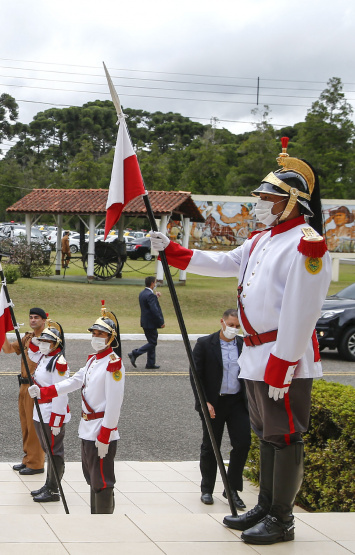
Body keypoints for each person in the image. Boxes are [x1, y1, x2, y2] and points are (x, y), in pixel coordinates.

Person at [150, 138, 331, 545]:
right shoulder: (262, 239)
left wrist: (282, 365)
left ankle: (282, 520)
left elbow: (302, 313)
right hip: (256, 353)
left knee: (284, 435)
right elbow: (226, 262)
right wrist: (174, 252)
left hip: (284, 358)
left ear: (292, 202)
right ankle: (266, 506)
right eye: (260, 196)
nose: (259, 203)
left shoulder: (307, 245)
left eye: (267, 197)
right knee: (266, 434)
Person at [30, 304, 124, 514]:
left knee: (101, 478)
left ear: (110, 337)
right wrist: (45, 392)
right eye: (94, 333)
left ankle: (103, 520)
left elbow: (115, 402)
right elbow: (73, 382)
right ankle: (96, 515)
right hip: (87, 427)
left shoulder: (113, 364)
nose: (96, 337)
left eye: (101, 334)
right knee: (91, 476)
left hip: (101, 428)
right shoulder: (93, 360)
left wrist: (107, 432)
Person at [192, 308, 249, 509]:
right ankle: (207, 489)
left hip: (236, 403)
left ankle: (231, 489)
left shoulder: (243, 345)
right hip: (214, 403)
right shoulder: (205, 344)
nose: (234, 329)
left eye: (237, 326)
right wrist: (204, 402)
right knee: (210, 446)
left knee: (242, 443)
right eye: (230, 325)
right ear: (222, 322)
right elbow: (196, 376)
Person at [0, 307, 48, 475]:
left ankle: (36, 463)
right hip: (23, 385)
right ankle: (28, 459)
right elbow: (8, 349)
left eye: (36, 318)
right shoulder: (28, 337)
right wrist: (1, 332)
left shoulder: (48, 338)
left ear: (44, 320)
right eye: (31, 317)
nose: (33, 320)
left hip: (36, 386)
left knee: (35, 426)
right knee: (26, 424)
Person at [27, 327, 69, 502]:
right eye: (42, 341)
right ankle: (49, 483)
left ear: (55, 343)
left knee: (54, 452)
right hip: (41, 411)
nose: (43, 344)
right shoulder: (45, 357)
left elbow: (61, 392)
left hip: (52, 412)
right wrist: (35, 340)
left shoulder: (59, 363)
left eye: (47, 342)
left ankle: (54, 489)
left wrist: (57, 420)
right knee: (47, 449)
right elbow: (31, 353)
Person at [128, 276, 164, 369]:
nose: (155, 284)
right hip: (151, 323)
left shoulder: (143, 293)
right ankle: (134, 353)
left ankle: (150, 363)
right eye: (155, 282)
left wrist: (156, 297)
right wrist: (161, 322)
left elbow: (148, 304)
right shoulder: (150, 295)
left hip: (145, 322)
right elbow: (154, 310)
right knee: (152, 343)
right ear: (152, 283)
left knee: (151, 342)